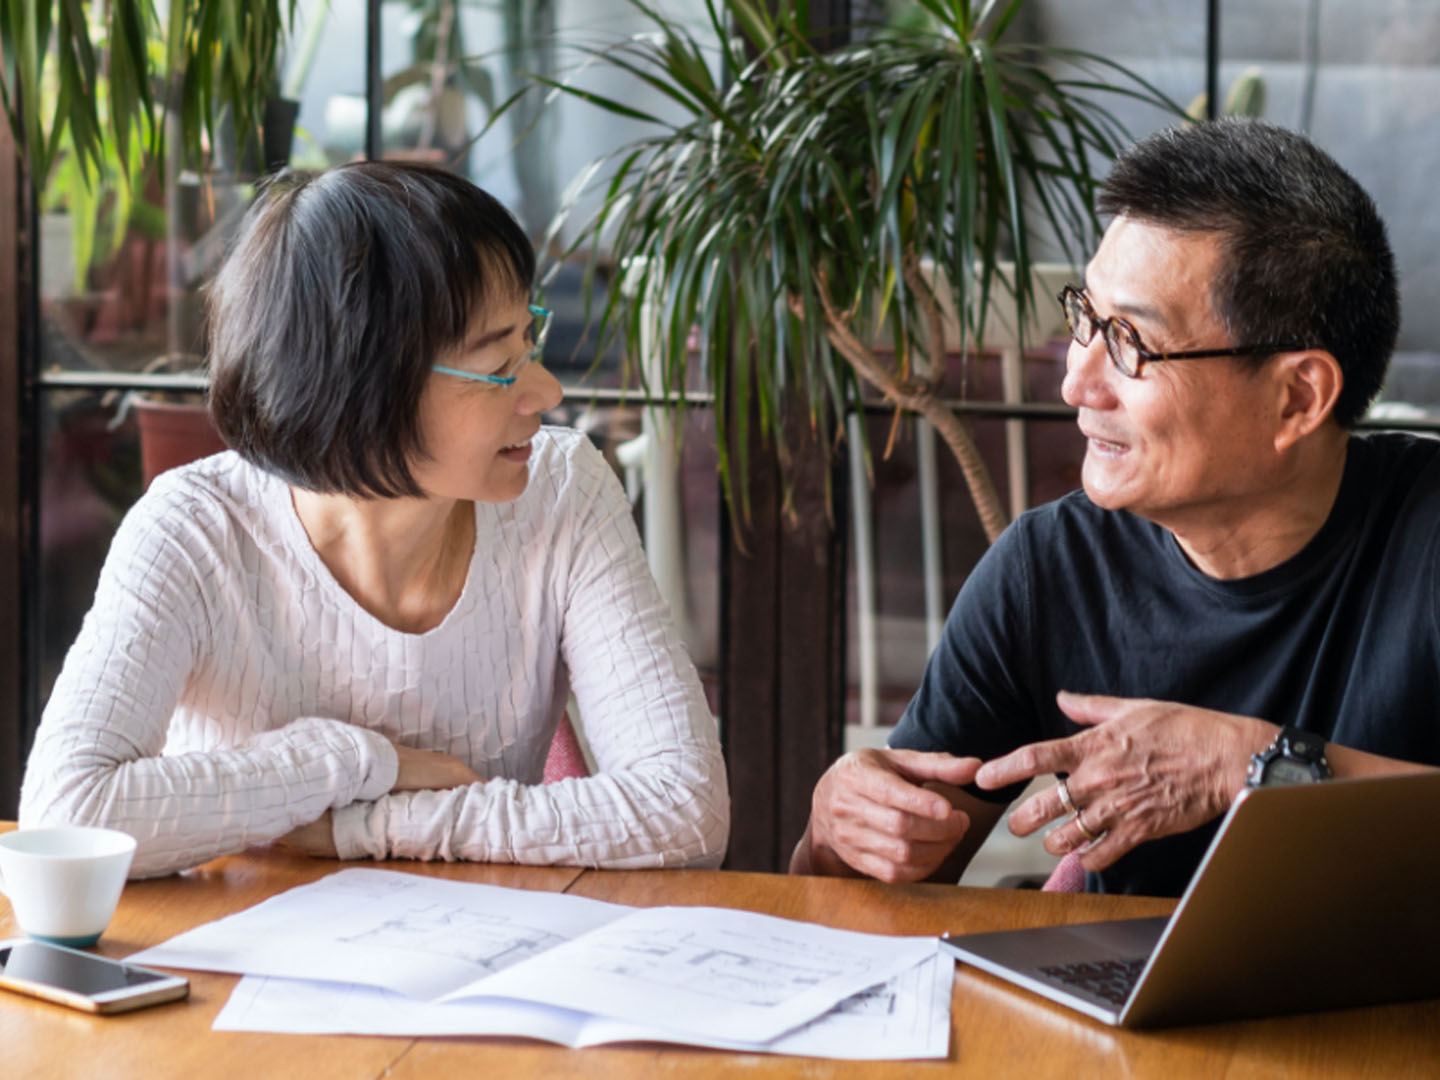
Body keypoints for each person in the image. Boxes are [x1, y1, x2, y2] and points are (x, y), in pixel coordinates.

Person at [21, 162, 729, 878]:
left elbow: (687, 807)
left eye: (531, 343)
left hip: (476, 963)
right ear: (363, 388)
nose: (545, 392)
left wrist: (372, 823)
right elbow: (68, 812)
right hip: (235, 965)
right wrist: (354, 760)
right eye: (499, 364)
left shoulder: (563, 490)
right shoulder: (194, 531)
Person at [792, 119, 1440, 896]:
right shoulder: (1049, 570)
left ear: (1297, 396)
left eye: (1130, 342)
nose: (1078, 383)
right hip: (1126, 1014)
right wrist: (835, 833)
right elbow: (864, 897)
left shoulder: (1425, 534)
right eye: (1085, 320)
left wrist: (1254, 765)